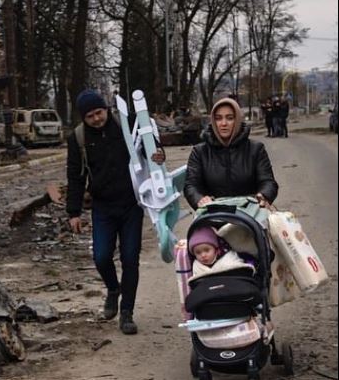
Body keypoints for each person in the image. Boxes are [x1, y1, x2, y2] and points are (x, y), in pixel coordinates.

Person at [66, 89, 165, 335]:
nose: (97, 119)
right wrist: (73, 212)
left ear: (107, 108)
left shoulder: (126, 123)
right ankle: (113, 289)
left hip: (131, 204)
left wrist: (158, 154)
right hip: (102, 207)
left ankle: (127, 313)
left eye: (99, 112)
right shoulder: (78, 138)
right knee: (101, 256)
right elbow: (74, 176)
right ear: (83, 118)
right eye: (90, 116)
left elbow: (149, 139)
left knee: (130, 258)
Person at [184, 97, 278, 210]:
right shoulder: (199, 152)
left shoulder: (256, 149)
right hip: (212, 214)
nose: (223, 123)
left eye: (230, 118)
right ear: (213, 121)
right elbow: (191, 185)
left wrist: (263, 195)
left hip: (250, 213)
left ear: (237, 120)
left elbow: (268, 181)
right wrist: (199, 199)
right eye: (218, 118)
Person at [188, 226, 254, 282]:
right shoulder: (197, 265)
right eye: (198, 252)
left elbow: (240, 269)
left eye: (207, 250)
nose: (203, 255)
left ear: (215, 249)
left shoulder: (229, 257)